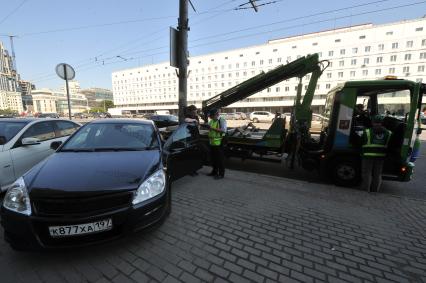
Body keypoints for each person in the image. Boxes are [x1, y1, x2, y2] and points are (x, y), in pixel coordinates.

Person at [360, 115, 392, 192]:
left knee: (367, 173)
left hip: (368, 155)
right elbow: (391, 145)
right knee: (377, 174)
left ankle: (366, 189)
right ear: (382, 123)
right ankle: (374, 190)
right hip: (381, 156)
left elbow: (361, 142)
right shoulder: (389, 133)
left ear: (372, 122)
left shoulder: (367, 131)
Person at [207, 108, 227, 179]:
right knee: (213, 159)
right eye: (210, 116)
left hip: (220, 143)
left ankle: (221, 174)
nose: (210, 118)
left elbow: (223, 131)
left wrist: (212, 128)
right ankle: (214, 172)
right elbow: (210, 128)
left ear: (216, 114)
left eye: (211, 116)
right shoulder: (212, 121)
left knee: (220, 159)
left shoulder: (222, 120)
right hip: (212, 143)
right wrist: (207, 127)